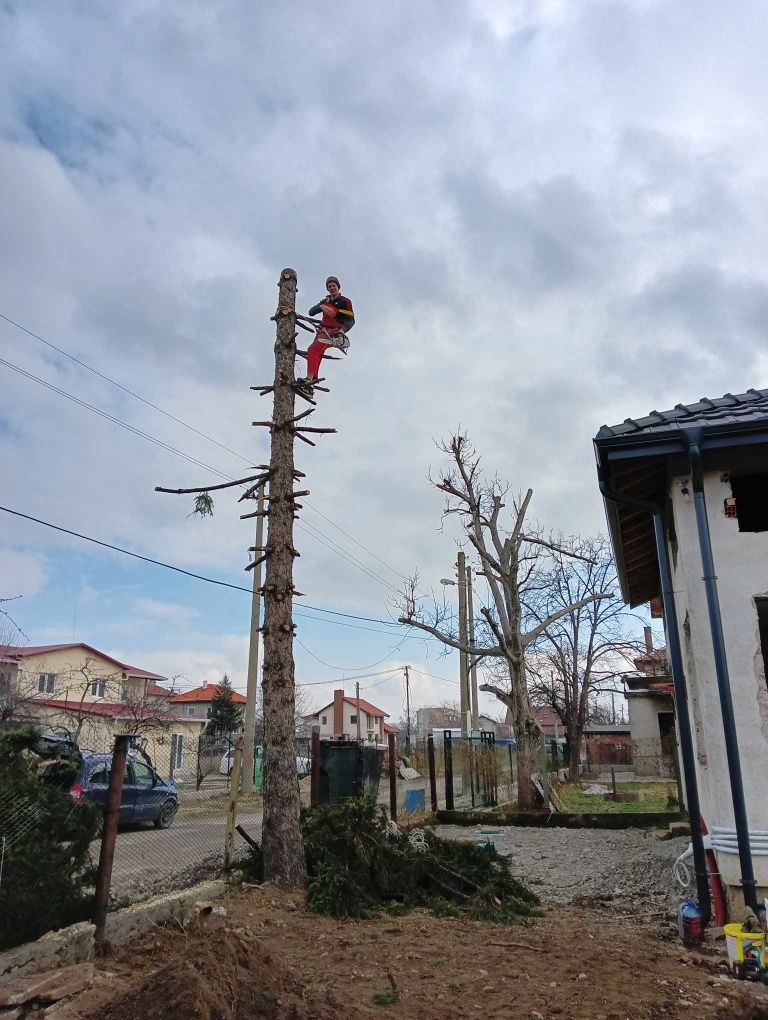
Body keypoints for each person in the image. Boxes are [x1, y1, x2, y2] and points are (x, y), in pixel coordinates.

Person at [296, 276, 355, 390]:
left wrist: (342, 331)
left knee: (313, 350)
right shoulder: (326, 301)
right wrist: (321, 306)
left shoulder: (345, 301)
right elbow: (311, 312)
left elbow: (351, 319)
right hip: (323, 331)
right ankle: (311, 383)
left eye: (333, 286)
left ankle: (309, 379)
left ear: (338, 287)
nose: (332, 288)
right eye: (329, 286)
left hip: (334, 331)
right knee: (315, 352)